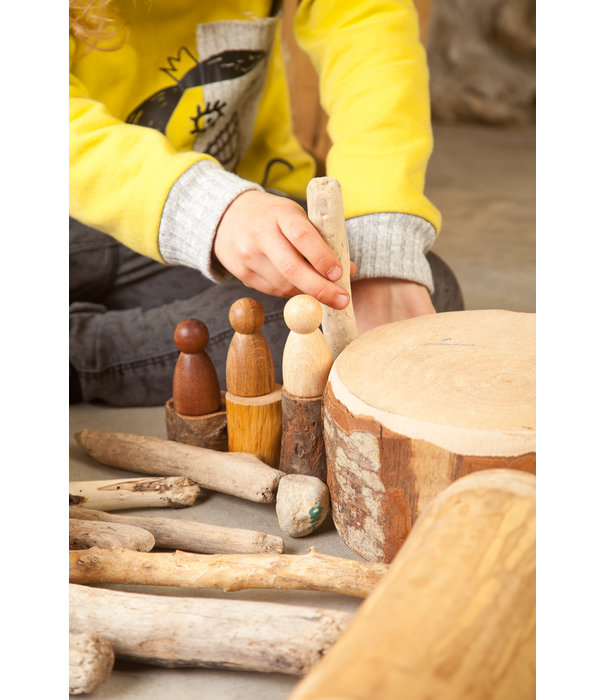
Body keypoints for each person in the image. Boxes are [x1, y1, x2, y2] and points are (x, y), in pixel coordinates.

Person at [69, 0, 464, 406]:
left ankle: (81, 351)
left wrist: (380, 238)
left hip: (237, 205)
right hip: (78, 209)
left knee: (419, 295)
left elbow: (365, 22)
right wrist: (208, 210)